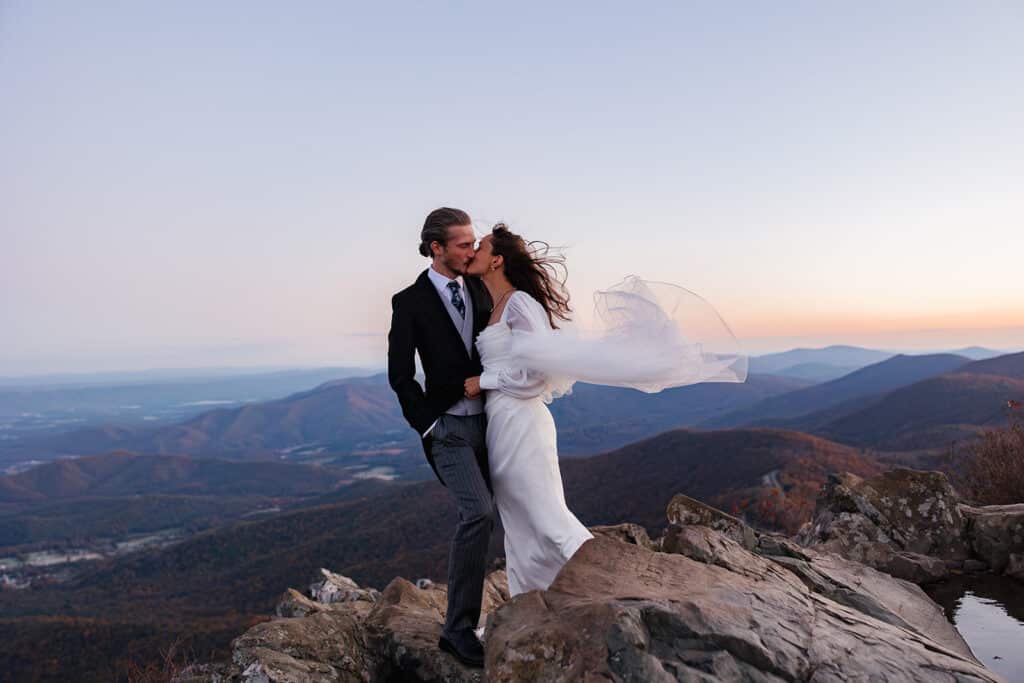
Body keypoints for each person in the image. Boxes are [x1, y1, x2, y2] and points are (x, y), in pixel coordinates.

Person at [462, 223, 747, 597]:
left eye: (480, 246)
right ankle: (528, 603)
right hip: (501, 421)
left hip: (521, 421)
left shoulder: (519, 304)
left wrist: (482, 382)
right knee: (518, 520)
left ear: (497, 260)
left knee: (544, 516)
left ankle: (611, 584)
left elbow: (534, 376)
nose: (472, 251)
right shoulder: (497, 305)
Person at [387, 207, 494, 667]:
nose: (472, 251)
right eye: (463, 244)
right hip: (447, 429)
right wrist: (430, 424)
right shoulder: (408, 301)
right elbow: (400, 374)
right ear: (437, 248)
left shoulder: (481, 288)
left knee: (509, 510)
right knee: (478, 514)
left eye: (473, 243)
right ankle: (457, 630)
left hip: (493, 423)